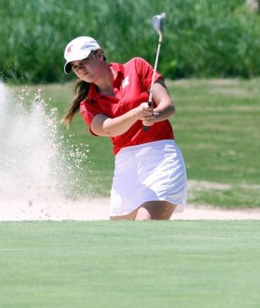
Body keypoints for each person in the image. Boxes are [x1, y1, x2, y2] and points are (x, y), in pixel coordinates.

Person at [61, 36, 187, 221]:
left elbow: (168, 106)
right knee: (123, 238)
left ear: (99, 54)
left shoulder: (136, 67)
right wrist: (136, 114)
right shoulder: (88, 102)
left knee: (145, 227)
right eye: (74, 66)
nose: (80, 69)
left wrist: (154, 116)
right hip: (126, 166)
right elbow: (107, 129)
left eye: (84, 61)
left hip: (160, 159)